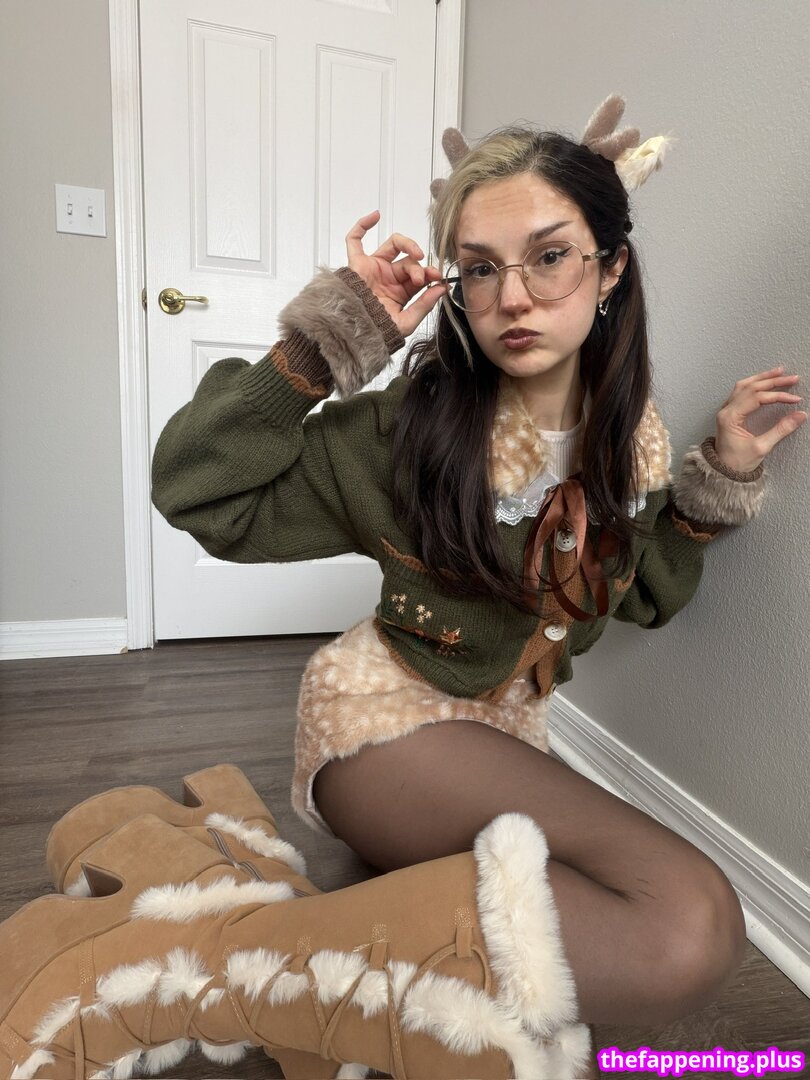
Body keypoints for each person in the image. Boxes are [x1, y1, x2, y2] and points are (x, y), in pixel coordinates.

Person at [0, 97, 805, 1080]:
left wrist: (716, 480)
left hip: (505, 734)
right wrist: (322, 348)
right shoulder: (403, 433)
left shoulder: (622, 443)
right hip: (377, 724)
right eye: (480, 268)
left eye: (550, 257)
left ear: (610, 270)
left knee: (659, 930)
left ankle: (291, 948)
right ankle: (191, 969)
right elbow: (199, 492)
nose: (513, 297)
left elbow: (638, 597)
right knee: (689, 924)